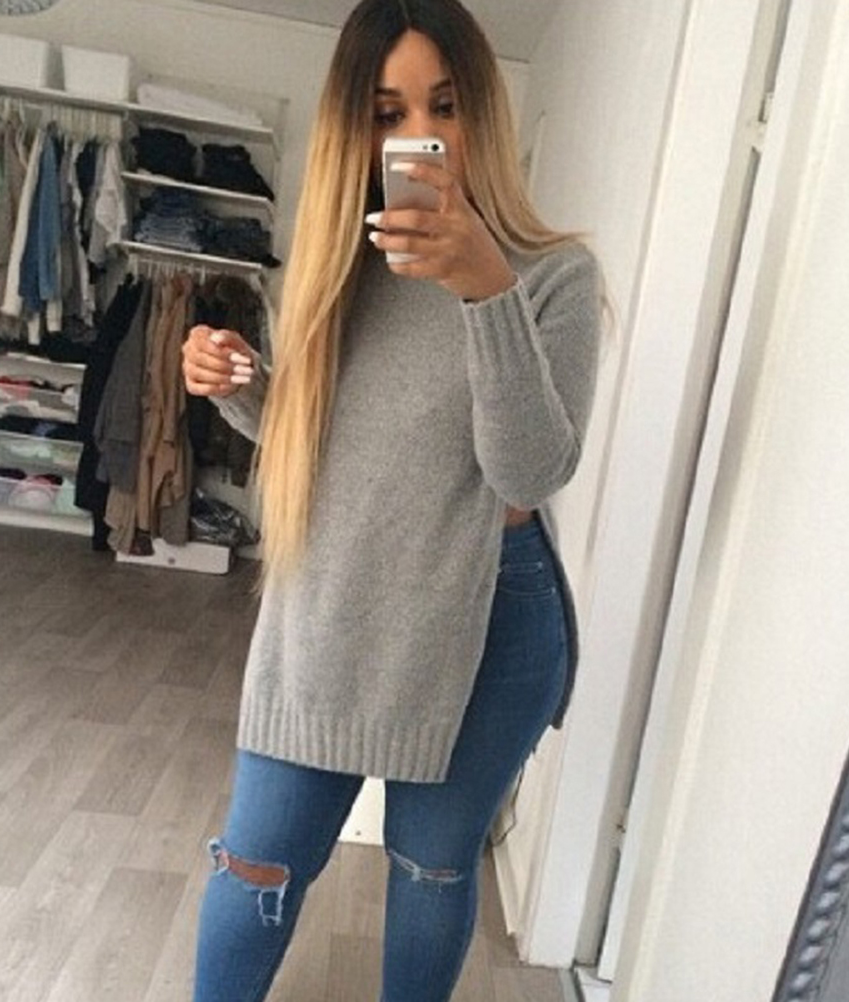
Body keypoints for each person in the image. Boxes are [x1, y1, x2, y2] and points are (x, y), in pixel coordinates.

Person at [182, 1, 601, 998]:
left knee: (432, 867)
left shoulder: (553, 275)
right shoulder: (338, 262)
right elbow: (334, 446)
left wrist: (487, 291)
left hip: (491, 614)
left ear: (483, 109)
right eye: (388, 111)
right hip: (334, 597)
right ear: (354, 127)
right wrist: (242, 384)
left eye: (444, 105)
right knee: (257, 861)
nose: (421, 133)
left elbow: (528, 473)